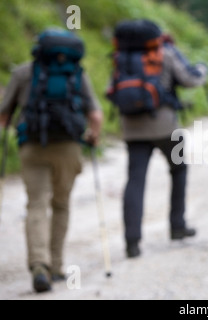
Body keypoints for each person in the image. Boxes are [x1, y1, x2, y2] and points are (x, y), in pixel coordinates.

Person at [0, 28, 103, 293]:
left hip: (33, 146)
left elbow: (4, 114)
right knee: (61, 204)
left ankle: (39, 264)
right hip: (68, 147)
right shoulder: (77, 73)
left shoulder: (23, 73)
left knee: (36, 204)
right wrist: (94, 136)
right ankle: (56, 265)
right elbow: (96, 115)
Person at [107, 20, 208, 258]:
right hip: (165, 126)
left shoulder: (121, 56)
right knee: (179, 169)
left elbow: (111, 90)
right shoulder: (165, 52)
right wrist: (203, 70)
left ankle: (132, 242)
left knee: (135, 180)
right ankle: (177, 226)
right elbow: (190, 79)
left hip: (132, 127)